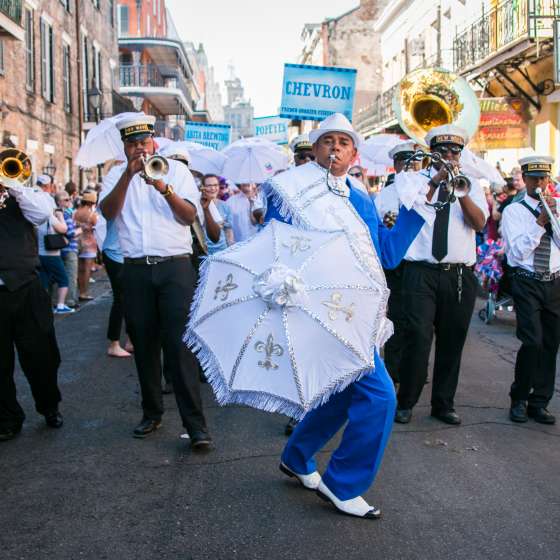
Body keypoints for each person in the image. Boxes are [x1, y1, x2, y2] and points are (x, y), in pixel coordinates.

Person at [264, 113, 434, 518]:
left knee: (343, 391)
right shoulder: (287, 190)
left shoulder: (360, 197)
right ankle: (342, 484)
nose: (335, 148)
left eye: (343, 142)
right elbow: (273, 248)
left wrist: (420, 205)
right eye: (327, 141)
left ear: (354, 154)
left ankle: (297, 455)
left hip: (356, 311)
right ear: (315, 148)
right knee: (379, 395)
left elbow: (387, 255)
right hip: (316, 310)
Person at [99, 115, 211, 449]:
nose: (139, 149)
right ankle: (152, 413)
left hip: (175, 268)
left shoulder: (176, 172)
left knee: (180, 348)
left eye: (143, 143)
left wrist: (163, 188)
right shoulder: (115, 176)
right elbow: (108, 212)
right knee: (144, 344)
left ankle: (197, 426)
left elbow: (189, 216)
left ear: (154, 143)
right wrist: (128, 176)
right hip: (134, 270)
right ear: (125, 148)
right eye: (132, 145)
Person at [394, 125, 488, 426]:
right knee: (417, 338)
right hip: (420, 271)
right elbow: (412, 207)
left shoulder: (471, 183)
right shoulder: (411, 179)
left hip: (458, 275)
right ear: (432, 152)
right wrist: (436, 181)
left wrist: (460, 192)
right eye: (442, 150)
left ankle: (443, 404)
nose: (449, 155)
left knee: (452, 341)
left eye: (455, 151)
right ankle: (406, 401)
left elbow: (480, 223)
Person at [0, 174, 63, 441]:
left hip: (26, 288)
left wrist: (12, 186)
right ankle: (7, 419)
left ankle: (49, 406)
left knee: (41, 356)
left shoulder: (26, 197)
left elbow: (42, 213)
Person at [501, 155, 558, 425]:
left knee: (550, 344)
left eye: (544, 178)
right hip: (527, 280)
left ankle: (540, 402)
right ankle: (520, 398)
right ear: (524, 179)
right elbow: (517, 252)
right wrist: (539, 224)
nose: (540, 184)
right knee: (532, 341)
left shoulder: (557, 207)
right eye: (535, 178)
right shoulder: (515, 210)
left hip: (554, 281)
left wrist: (553, 220)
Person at [374, 141, 417, 386]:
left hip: (421, 265)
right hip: (396, 266)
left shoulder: (426, 191)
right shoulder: (385, 195)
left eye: (414, 161)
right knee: (395, 320)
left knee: (418, 326)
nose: (409, 167)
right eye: (404, 162)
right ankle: (393, 372)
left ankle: (412, 372)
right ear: (396, 165)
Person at [37, 199, 75, 315]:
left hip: (40, 254)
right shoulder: (50, 218)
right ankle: (60, 305)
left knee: (44, 281)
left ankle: (42, 306)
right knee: (63, 278)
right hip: (52, 255)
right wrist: (60, 216)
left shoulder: (36, 219)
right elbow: (64, 229)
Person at [57, 191, 81, 309]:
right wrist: (81, 230)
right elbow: (70, 233)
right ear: (59, 202)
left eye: (69, 199)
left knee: (60, 277)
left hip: (59, 249)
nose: (69, 201)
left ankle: (59, 301)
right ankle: (70, 301)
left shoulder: (57, 213)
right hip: (70, 249)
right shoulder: (65, 214)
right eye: (66, 200)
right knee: (71, 276)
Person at [73, 191, 98, 301]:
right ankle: (84, 292)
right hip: (90, 243)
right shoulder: (92, 215)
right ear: (92, 202)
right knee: (88, 269)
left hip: (78, 242)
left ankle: (79, 291)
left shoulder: (76, 212)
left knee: (80, 269)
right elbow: (97, 227)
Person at [201, 174, 234, 254]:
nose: (213, 188)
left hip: (223, 251)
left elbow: (228, 231)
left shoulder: (225, 206)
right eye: (209, 185)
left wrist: (231, 250)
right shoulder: (199, 206)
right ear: (202, 187)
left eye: (215, 185)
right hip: (204, 253)